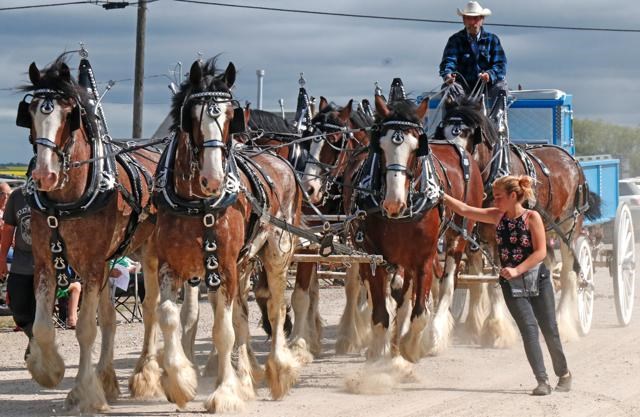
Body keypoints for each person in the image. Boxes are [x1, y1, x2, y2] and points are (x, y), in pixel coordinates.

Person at [443, 175, 572, 395]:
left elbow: (541, 252)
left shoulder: (532, 218)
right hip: (512, 284)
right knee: (529, 329)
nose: (494, 201)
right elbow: (465, 209)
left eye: (499, 197)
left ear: (514, 196)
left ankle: (564, 373)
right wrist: (442, 196)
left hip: (537, 280)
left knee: (549, 329)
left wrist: (517, 269)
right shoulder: (497, 216)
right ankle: (542, 381)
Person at [439, 1, 508, 105]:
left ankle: (496, 119)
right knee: (449, 88)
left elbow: (500, 65)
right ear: (464, 20)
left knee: (501, 87)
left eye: (476, 18)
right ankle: (454, 120)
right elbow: (448, 61)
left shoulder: (492, 40)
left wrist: (489, 75)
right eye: (469, 18)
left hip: (487, 87)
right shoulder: (455, 40)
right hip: (461, 87)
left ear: (482, 20)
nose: (472, 22)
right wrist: (448, 75)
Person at [0, 186, 35, 360]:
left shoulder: (58, 193)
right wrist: (2, 258)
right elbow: (8, 229)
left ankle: (38, 345)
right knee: (17, 307)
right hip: (21, 262)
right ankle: (34, 338)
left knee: (40, 309)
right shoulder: (18, 195)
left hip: (47, 264)